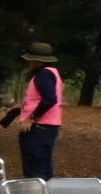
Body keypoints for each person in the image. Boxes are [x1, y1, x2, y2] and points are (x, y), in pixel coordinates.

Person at [8, 41, 63, 180]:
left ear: (37, 60)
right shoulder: (52, 72)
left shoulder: (43, 75)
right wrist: (23, 107)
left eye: (30, 58)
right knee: (44, 167)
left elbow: (50, 99)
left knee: (34, 169)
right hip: (49, 126)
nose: (28, 61)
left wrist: (31, 118)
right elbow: (43, 98)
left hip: (38, 127)